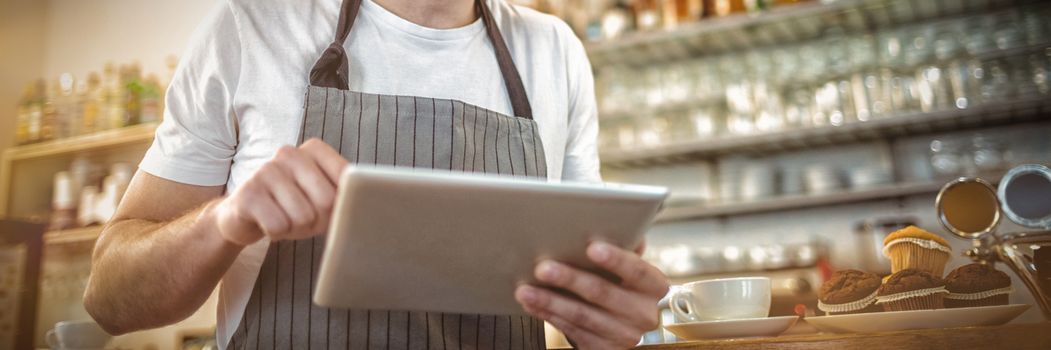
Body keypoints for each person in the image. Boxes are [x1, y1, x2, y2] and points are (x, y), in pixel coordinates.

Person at [84, 0, 670, 349]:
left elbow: (589, 294)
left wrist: (611, 326)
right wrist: (224, 221)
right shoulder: (249, 28)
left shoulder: (555, 53)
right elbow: (109, 299)